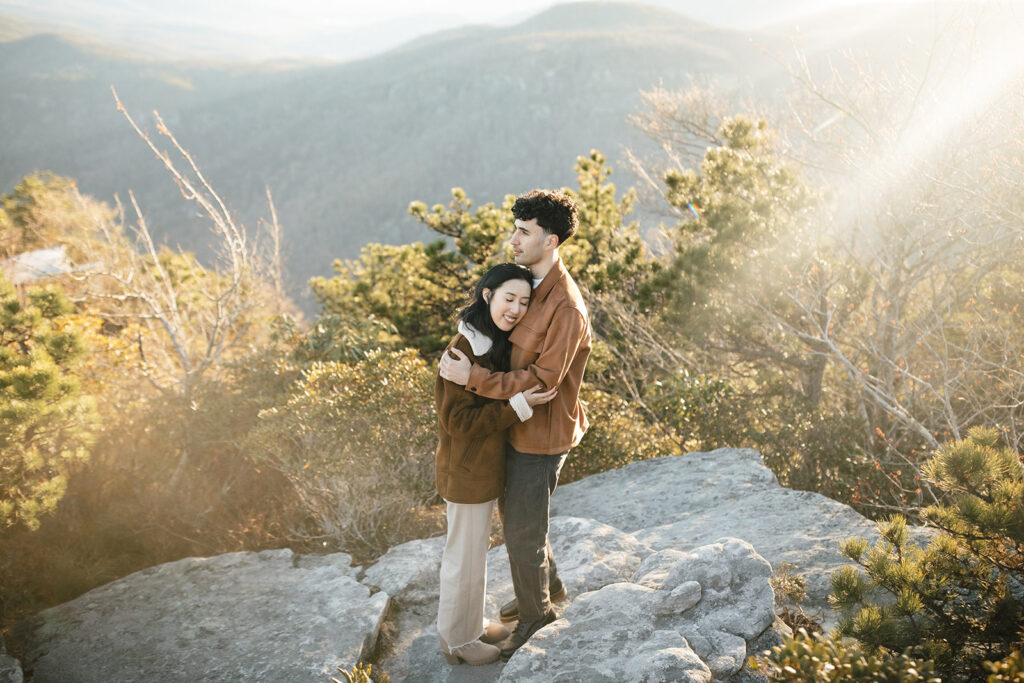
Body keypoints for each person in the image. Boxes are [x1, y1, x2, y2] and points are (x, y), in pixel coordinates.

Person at [439, 189, 591, 660]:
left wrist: (473, 378)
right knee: (525, 521)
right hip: (515, 426)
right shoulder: (529, 285)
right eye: (515, 229)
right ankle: (547, 587)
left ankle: (536, 615)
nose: (513, 239)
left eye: (524, 232)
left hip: (540, 435)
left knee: (523, 530)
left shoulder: (563, 305)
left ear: (551, 240)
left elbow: (544, 381)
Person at [434, 262, 558, 666]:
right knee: (463, 558)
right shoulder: (464, 349)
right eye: (509, 298)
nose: (516, 309)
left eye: (524, 301)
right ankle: (457, 642)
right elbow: (458, 423)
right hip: (467, 471)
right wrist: (517, 407)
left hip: (483, 471)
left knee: (474, 555)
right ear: (487, 295)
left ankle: (470, 623)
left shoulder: (491, 342)